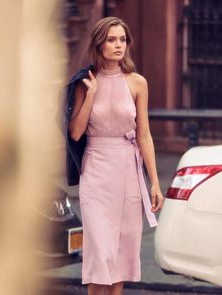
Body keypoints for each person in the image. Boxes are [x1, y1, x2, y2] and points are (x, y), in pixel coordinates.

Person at [68, 16, 164, 295]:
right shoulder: (84, 83)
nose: (118, 45)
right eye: (112, 39)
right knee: (101, 254)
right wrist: (91, 94)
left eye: (122, 39)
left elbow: (144, 135)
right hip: (96, 170)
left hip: (128, 173)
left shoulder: (137, 83)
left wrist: (155, 182)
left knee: (122, 255)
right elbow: (75, 132)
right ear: (99, 43)